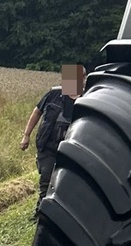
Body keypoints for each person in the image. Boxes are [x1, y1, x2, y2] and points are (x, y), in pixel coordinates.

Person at [20, 64, 86, 212]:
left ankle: (63, 212)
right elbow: (37, 112)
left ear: (83, 79)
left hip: (72, 151)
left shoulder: (87, 100)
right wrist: (26, 136)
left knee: (66, 184)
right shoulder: (54, 94)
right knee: (46, 180)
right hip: (48, 147)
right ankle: (41, 213)